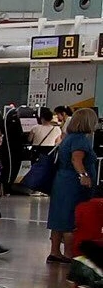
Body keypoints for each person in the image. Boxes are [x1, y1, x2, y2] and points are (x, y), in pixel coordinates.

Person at [48, 110, 96, 263]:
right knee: (71, 218)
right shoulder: (80, 140)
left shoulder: (67, 138)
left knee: (58, 217)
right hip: (73, 183)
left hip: (62, 180)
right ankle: (70, 254)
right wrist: (84, 175)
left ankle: (54, 252)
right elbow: (77, 159)